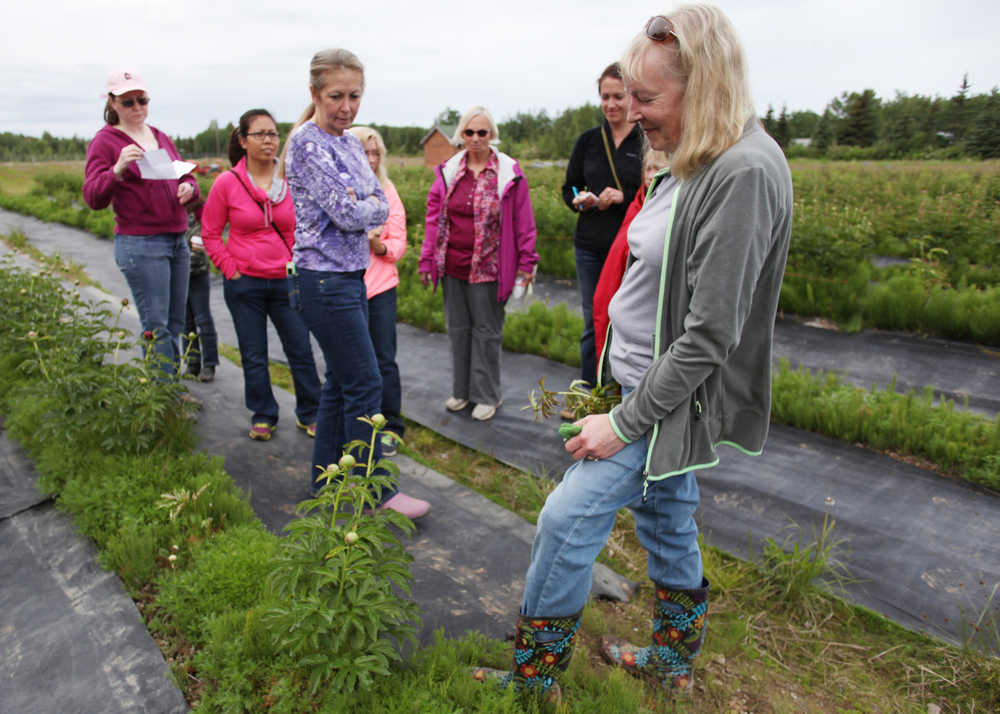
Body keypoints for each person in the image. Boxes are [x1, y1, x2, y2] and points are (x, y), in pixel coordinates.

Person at [476, 6, 794, 701]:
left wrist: (621, 423)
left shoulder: (741, 174)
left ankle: (534, 683)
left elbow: (710, 335)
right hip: (636, 386)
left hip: (658, 403)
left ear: (704, 84)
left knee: (564, 521)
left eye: (647, 99)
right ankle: (673, 663)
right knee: (666, 517)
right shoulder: (695, 157)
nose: (635, 113)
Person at [283, 49, 429, 518]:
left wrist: (364, 204)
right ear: (314, 94)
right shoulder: (308, 144)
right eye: (336, 96)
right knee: (366, 382)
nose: (346, 107)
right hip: (323, 281)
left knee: (340, 385)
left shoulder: (347, 143)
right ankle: (371, 492)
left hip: (350, 277)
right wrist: (363, 204)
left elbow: (379, 202)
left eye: (354, 96)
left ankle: (326, 483)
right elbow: (351, 212)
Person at [201, 108, 322, 442]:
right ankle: (263, 414)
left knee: (300, 348)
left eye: (273, 134)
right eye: (260, 134)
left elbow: (307, 226)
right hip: (246, 284)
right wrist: (231, 270)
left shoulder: (290, 179)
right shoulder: (227, 183)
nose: (269, 140)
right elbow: (210, 233)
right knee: (254, 353)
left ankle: (311, 412)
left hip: (287, 281)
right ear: (243, 141)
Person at [418, 106, 539, 422]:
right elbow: (434, 218)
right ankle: (461, 392)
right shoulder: (449, 171)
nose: (475, 138)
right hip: (453, 265)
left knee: (486, 332)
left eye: (482, 132)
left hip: (488, 268)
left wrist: (527, 263)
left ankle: (487, 395)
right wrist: (428, 258)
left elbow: (524, 223)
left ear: (492, 136)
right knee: (458, 329)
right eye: (469, 132)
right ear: (461, 135)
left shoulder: (508, 174)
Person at [83, 69, 200, 375]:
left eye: (142, 100)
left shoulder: (160, 137)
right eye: (128, 102)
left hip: (176, 239)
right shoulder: (106, 142)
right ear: (112, 103)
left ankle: (168, 390)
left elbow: (182, 174)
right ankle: (162, 396)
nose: (137, 107)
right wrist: (118, 169)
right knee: (156, 324)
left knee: (175, 321)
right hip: (141, 243)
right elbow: (93, 197)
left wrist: (190, 187)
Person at [562, 62, 644, 390]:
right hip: (591, 244)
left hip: (629, 247)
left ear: (631, 97)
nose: (610, 104)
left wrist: (623, 197)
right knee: (592, 320)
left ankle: (622, 392)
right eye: (605, 97)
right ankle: (591, 388)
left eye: (618, 97)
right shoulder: (588, 141)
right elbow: (568, 186)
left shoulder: (645, 138)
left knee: (628, 322)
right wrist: (578, 198)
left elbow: (656, 188)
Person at [347, 126, 407, 456]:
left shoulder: (387, 190)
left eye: (375, 153)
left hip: (381, 286)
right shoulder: (339, 189)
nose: (370, 159)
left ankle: (391, 426)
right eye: (364, 152)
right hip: (347, 285)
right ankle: (357, 424)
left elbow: (398, 244)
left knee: (384, 359)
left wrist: (377, 245)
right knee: (351, 361)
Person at [591, 149, 669, 362]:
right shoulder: (638, 204)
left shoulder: (664, 206)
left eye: (658, 168)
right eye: (648, 168)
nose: (651, 174)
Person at [182, 212, 219, 382]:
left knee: (203, 319)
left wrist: (176, 264)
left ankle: (210, 364)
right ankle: (192, 362)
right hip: (180, 278)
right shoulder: (169, 217)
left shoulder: (197, 219)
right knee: (185, 321)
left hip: (197, 275)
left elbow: (197, 253)